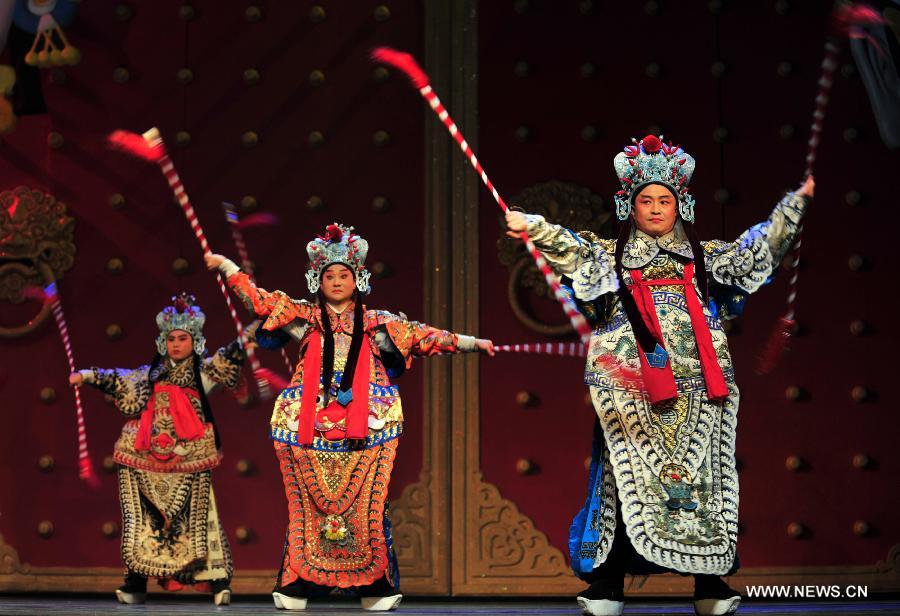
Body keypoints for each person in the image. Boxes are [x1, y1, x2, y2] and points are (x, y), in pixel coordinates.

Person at [505, 135, 812, 616]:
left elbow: (760, 248)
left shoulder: (706, 258)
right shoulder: (609, 256)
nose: (654, 209)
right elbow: (570, 247)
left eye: (664, 201)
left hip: (699, 386)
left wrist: (793, 206)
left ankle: (709, 584)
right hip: (629, 385)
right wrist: (533, 226)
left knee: (703, 478)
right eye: (646, 200)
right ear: (631, 204)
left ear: (680, 205)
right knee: (621, 478)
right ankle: (608, 584)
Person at [205, 222, 495, 611]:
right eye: (330, 275)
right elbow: (259, 302)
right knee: (307, 505)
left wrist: (472, 343)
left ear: (358, 278)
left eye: (345, 275)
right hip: (307, 422)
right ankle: (298, 584)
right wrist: (227, 267)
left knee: (367, 506)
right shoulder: (303, 317)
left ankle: (373, 584)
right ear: (317, 279)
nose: (337, 281)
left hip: (370, 424)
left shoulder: (378, 322)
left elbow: (425, 337)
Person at [69, 293, 247, 606]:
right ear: (163, 342)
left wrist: (251, 337)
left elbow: (229, 357)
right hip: (145, 454)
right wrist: (85, 376)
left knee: (201, 517)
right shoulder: (149, 373)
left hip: (188, 453)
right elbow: (118, 378)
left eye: (183, 338)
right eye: (171, 339)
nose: (177, 344)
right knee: (143, 521)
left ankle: (218, 582)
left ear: (196, 340)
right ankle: (136, 584)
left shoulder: (203, 372)